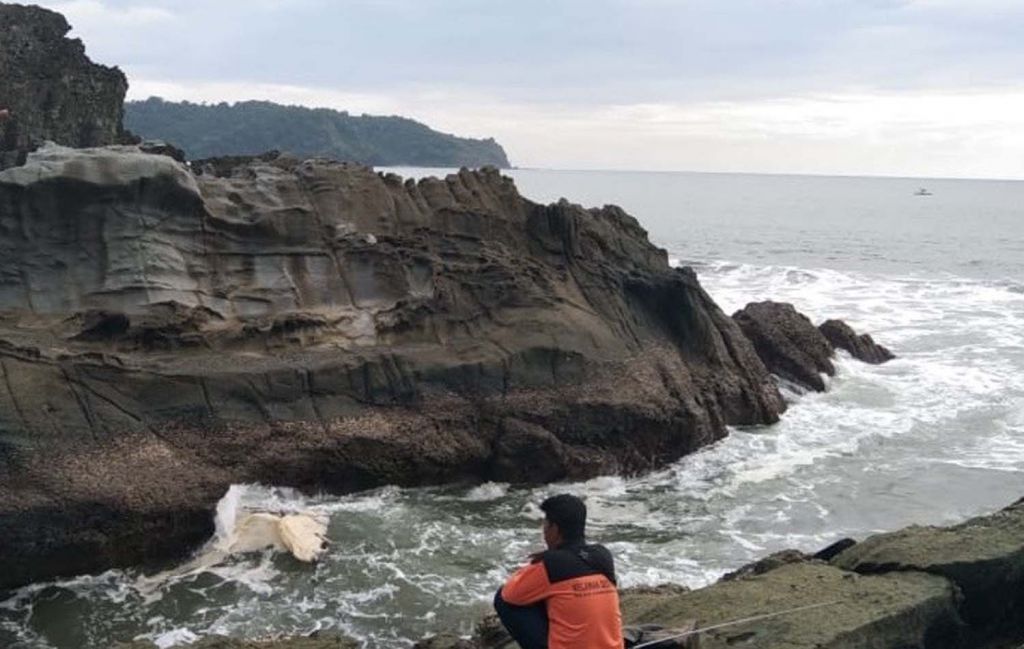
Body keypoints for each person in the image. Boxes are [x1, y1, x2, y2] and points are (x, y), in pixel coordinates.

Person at [494, 494, 623, 649]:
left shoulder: (551, 564)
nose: (543, 531)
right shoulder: (603, 555)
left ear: (554, 529)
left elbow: (509, 594)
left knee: (503, 599)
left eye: (545, 524)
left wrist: (535, 564)